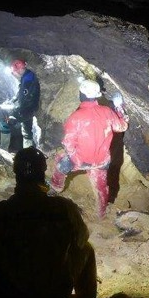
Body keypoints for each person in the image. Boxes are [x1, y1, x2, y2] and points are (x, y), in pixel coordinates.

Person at [0, 147, 98, 298]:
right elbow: (81, 239)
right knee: (87, 249)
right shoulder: (63, 208)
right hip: (53, 291)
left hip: (10, 291)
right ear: (43, 172)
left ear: (16, 173)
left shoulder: (0, 211)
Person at [49, 79, 129, 219]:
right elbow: (122, 127)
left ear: (82, 94)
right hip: (101, 161)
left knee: (61, 162)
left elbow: (68, 142)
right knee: (101, 188)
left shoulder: (76, 117)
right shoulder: (107, 112)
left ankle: (56, 188)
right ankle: (101, 213)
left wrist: (74, 159)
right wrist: (119, 109)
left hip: (80, 160)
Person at [0, 59, 40, 150]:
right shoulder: (28, 76)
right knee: (27, 131)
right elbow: (20, 94)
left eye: (14, 72)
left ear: (18, 69)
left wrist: (14, 109)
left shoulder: (28, 80)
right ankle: (28, 153)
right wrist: (11, 101)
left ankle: (3, 148)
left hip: (26, 110)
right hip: (30, 109)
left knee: (5, 122)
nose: (14, 74)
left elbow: (25, 98)